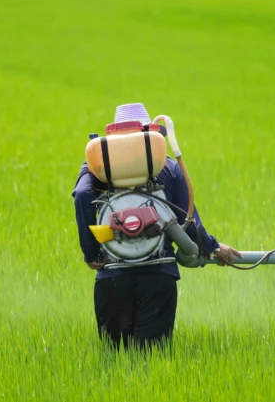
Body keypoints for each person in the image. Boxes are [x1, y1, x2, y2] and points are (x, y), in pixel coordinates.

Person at [72, 102, 241, 350]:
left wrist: (90, 251)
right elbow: (189, 220)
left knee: (115, 362)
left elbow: (82, 195)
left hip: (112, 276)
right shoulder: (168, 165)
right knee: (150, 363)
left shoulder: (100, 165)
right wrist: (213, 247)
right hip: (158, 275)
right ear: (151, 134)